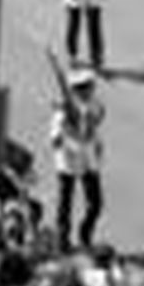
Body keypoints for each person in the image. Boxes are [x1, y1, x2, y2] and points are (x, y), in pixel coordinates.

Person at [50, 67, 105, 253]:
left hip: (89, 159)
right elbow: (55, 139)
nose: (89, 90)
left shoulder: (95, 104)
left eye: (90, 86)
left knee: (96, 203)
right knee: (65, 204)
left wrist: (96, 142)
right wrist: (63, 132)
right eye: (84, 87)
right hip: (69, 161)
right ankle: (62, 241)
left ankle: (85, 234)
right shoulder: (63, 111)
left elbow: (97, 119)